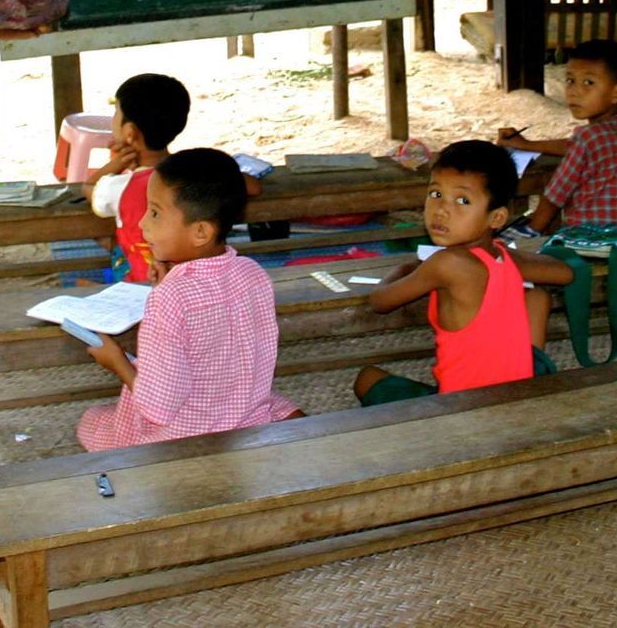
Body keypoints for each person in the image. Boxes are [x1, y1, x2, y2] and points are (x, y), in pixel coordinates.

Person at [76, 149, 300, 450]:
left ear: (201, 232)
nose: (142, 224)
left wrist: (117, 362)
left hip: (183, 440)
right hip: (243, 417)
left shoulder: (171, 298)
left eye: (154, 213)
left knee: (90, 422)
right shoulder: (253, 274)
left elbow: (158, 406)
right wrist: (168, 286)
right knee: (277, 405)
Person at [352, 140, 574, 406]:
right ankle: (528, 385)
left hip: (460, 410)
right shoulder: (501, 254)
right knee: (536, 296)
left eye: (462, 200)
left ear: (497, 218)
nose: (442, 210)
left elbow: (379, 301)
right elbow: (565, 274)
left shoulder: (446, 264)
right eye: (436, 194)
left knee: (367, 378)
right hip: (513, 396)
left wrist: (405, 268)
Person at [497, 39, 617, 235]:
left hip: (589, 239)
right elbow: (574, 146)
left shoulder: (588, 138)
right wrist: (527, 144)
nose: (574, 91)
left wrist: (530, 231)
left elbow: (555, 195)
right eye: (570, 80)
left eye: (588, 82)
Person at [87, 73, 190, 284]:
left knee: (109, 237)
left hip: (140, 283)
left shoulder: (118, 186)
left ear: (130, 132)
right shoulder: (192, 170)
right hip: (188, 278)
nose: (113, 119)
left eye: (116, 112)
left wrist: (115, 165)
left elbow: (89, 188)